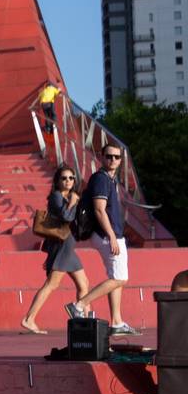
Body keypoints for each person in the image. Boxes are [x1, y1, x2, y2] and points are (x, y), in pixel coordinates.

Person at [69, 144, 139, 336]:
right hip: (107, 235)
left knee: (116, 278)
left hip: (112, 234)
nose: (113, 160)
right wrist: (111, 237)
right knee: (119, 278)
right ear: (102, 157)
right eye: (109, 156)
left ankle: (116, 322)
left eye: (117, 157)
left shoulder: (110, 179)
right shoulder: (101, 179)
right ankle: (80, 305)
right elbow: (99, 209)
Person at [20, 165, 90, 334]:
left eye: (71, 178)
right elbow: (66, 217)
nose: (68, 181)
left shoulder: (68, 196)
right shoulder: (56, 197)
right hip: (62, 247)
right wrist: (73, 202)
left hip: (69, 248)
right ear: (57, 181)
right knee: (52, 284)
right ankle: (29, 319)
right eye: (64, 178)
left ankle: (85, 322)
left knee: (84, 284)